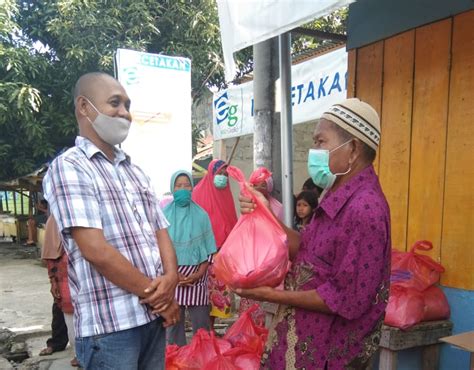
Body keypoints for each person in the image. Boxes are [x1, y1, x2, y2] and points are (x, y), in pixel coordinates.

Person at [237, 98, 391, 369]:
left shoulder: (365, 209)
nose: (313, 150)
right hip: (300, 343)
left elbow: (345, 298)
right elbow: (306, 250)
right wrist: (265, 214)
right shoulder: (336, 193)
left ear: (353, 149)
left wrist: (270, 295)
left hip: (328, 355)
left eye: (320, 141)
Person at [42, 72, 180, 370]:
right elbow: (95, 250)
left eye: (127, 105)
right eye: (115, 103)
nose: (124, 113)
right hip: (111, 326)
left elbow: (161, 231)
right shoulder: (70, 167)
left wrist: (171, 279)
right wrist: (160, 298)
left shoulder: (135, 170)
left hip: (151, 319)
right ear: (84, 107)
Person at [163, 170, 217, 346]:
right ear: (172, 188)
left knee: (201, 326)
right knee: (173, 325)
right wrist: (173, 275)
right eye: (179, 186)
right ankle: (176, 360)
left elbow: (209, 250)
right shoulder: (163, 216)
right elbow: (159, 250)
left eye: (187, 185)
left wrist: (198, 274)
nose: (183, 189)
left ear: (192, 188)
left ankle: (202, 359)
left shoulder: (201, 215)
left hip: (198, 277)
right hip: (172, 277)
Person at [192, 159, 237, 328]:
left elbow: (232, 222)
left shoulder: (226, 194)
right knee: (203, 295)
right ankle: (205, 330)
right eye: (220, 173)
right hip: (202, 255)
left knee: (217, 295)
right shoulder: (198, 193)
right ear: (211, 174)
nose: (223, 177)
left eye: (226, 174)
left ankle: (210, 328)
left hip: (223, 254)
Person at [40, 215, 79, 367]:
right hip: (64, 271)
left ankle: (79, 350)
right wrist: (53, 279)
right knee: (64, 308)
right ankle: (76, 350)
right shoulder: (56, 218)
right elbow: (51, 253)